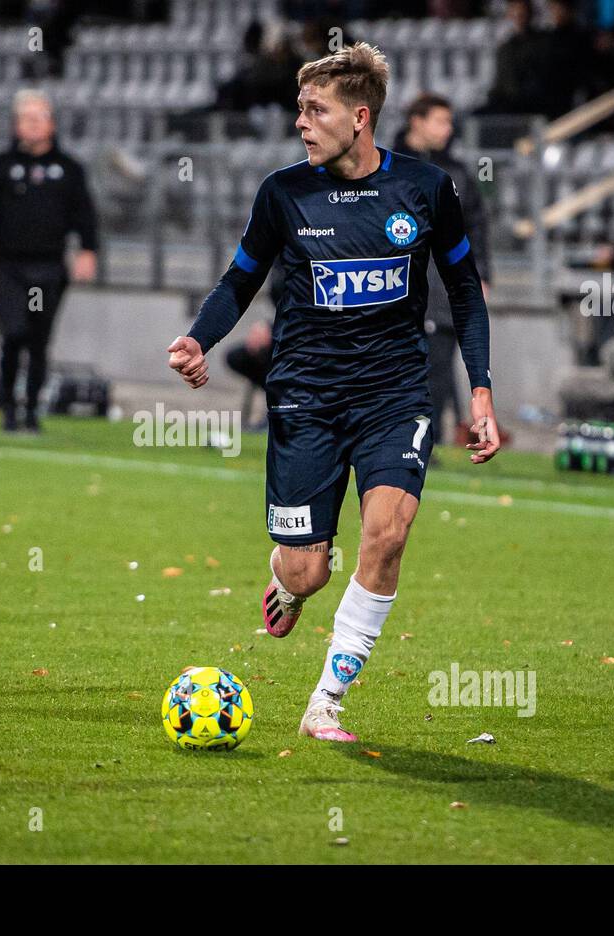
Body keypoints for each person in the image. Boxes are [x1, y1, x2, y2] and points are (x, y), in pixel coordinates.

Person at [168, 43, 498, 743]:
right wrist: (201, 338)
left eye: (314, 111)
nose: (301, 123)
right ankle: (287, 579)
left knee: (387, 535)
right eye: (298, 110)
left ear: (360, 116)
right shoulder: (283, 193)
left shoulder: (427, 189)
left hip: (396, 396)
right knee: (310, 568)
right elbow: (239, 280)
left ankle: (325, 701)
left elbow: (466, 294)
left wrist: (482, 391)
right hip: (306, 398)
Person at [0, 89, 99, 434]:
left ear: (52, 124)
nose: (32, 125)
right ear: (16, 125)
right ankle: (9, 406)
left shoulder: (68, 170)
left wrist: (88, 250)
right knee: (13, 333)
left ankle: (31, 410)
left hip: (49, 269)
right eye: (26, 118)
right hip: (11, 267)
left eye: (39, 118)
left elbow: (85, 215)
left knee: (39, 341)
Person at [393, 92, 492, 446]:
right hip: (394, 288)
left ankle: (424, 444)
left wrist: (482, 275)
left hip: (444, 290)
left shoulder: (459, 174)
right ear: (416, 121)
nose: (448, 129)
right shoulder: (384, 164)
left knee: (436, 367)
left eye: (450, 122)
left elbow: (476, 226)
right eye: (441, 120)